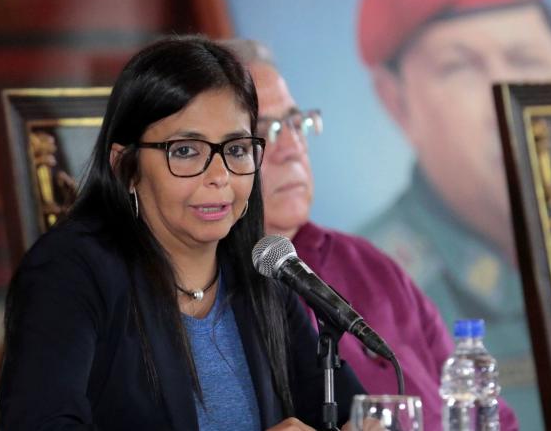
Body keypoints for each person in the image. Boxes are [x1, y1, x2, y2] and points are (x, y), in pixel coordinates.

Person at [0, 35, 365, 430]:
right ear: (126, 167)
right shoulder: (68, 274)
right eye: (186, 151)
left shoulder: (263, 275)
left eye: (236, 150)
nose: (220, 176)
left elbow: (351, 413)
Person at [355, 0, 551, 428]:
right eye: (460, 68)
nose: (503, 98)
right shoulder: (374, 291)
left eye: (526, 60)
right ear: (397, 104)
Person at [222, 38, 518, 430]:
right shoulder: (220, 294)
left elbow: (483, 412)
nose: (292, 147)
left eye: (295, 123)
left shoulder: (367, 262)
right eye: (265, 132)